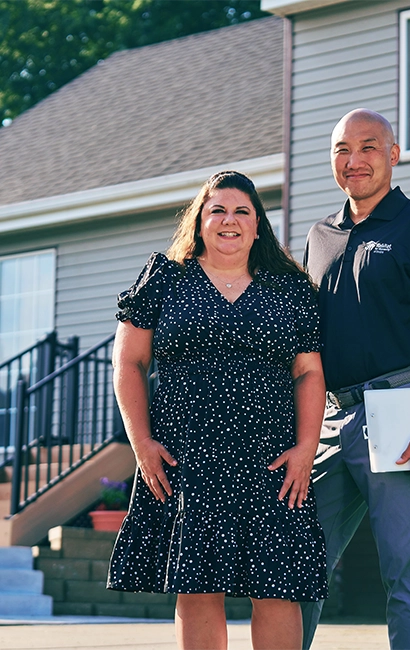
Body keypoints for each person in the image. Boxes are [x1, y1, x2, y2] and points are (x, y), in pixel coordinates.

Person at [107, 170, 328, 650]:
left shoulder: (289, 290)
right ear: (200, 221)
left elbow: (309, 372)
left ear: (257, 225)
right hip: (187, 458)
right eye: (218, 210)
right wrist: (141, 443)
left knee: (277, 587)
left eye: (242, 211)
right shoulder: (164, 279)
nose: (230, 220)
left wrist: (306, 449)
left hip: (271, 459)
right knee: (198, 587)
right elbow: (128, 361)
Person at [301, 109, 410, 650]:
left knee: (406, 572)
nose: (354, 161)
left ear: (393, 155)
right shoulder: (319, 236)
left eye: (368, 147)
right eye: (341, 150)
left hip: (402, 412)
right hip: (331, 419)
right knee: (294, 565)